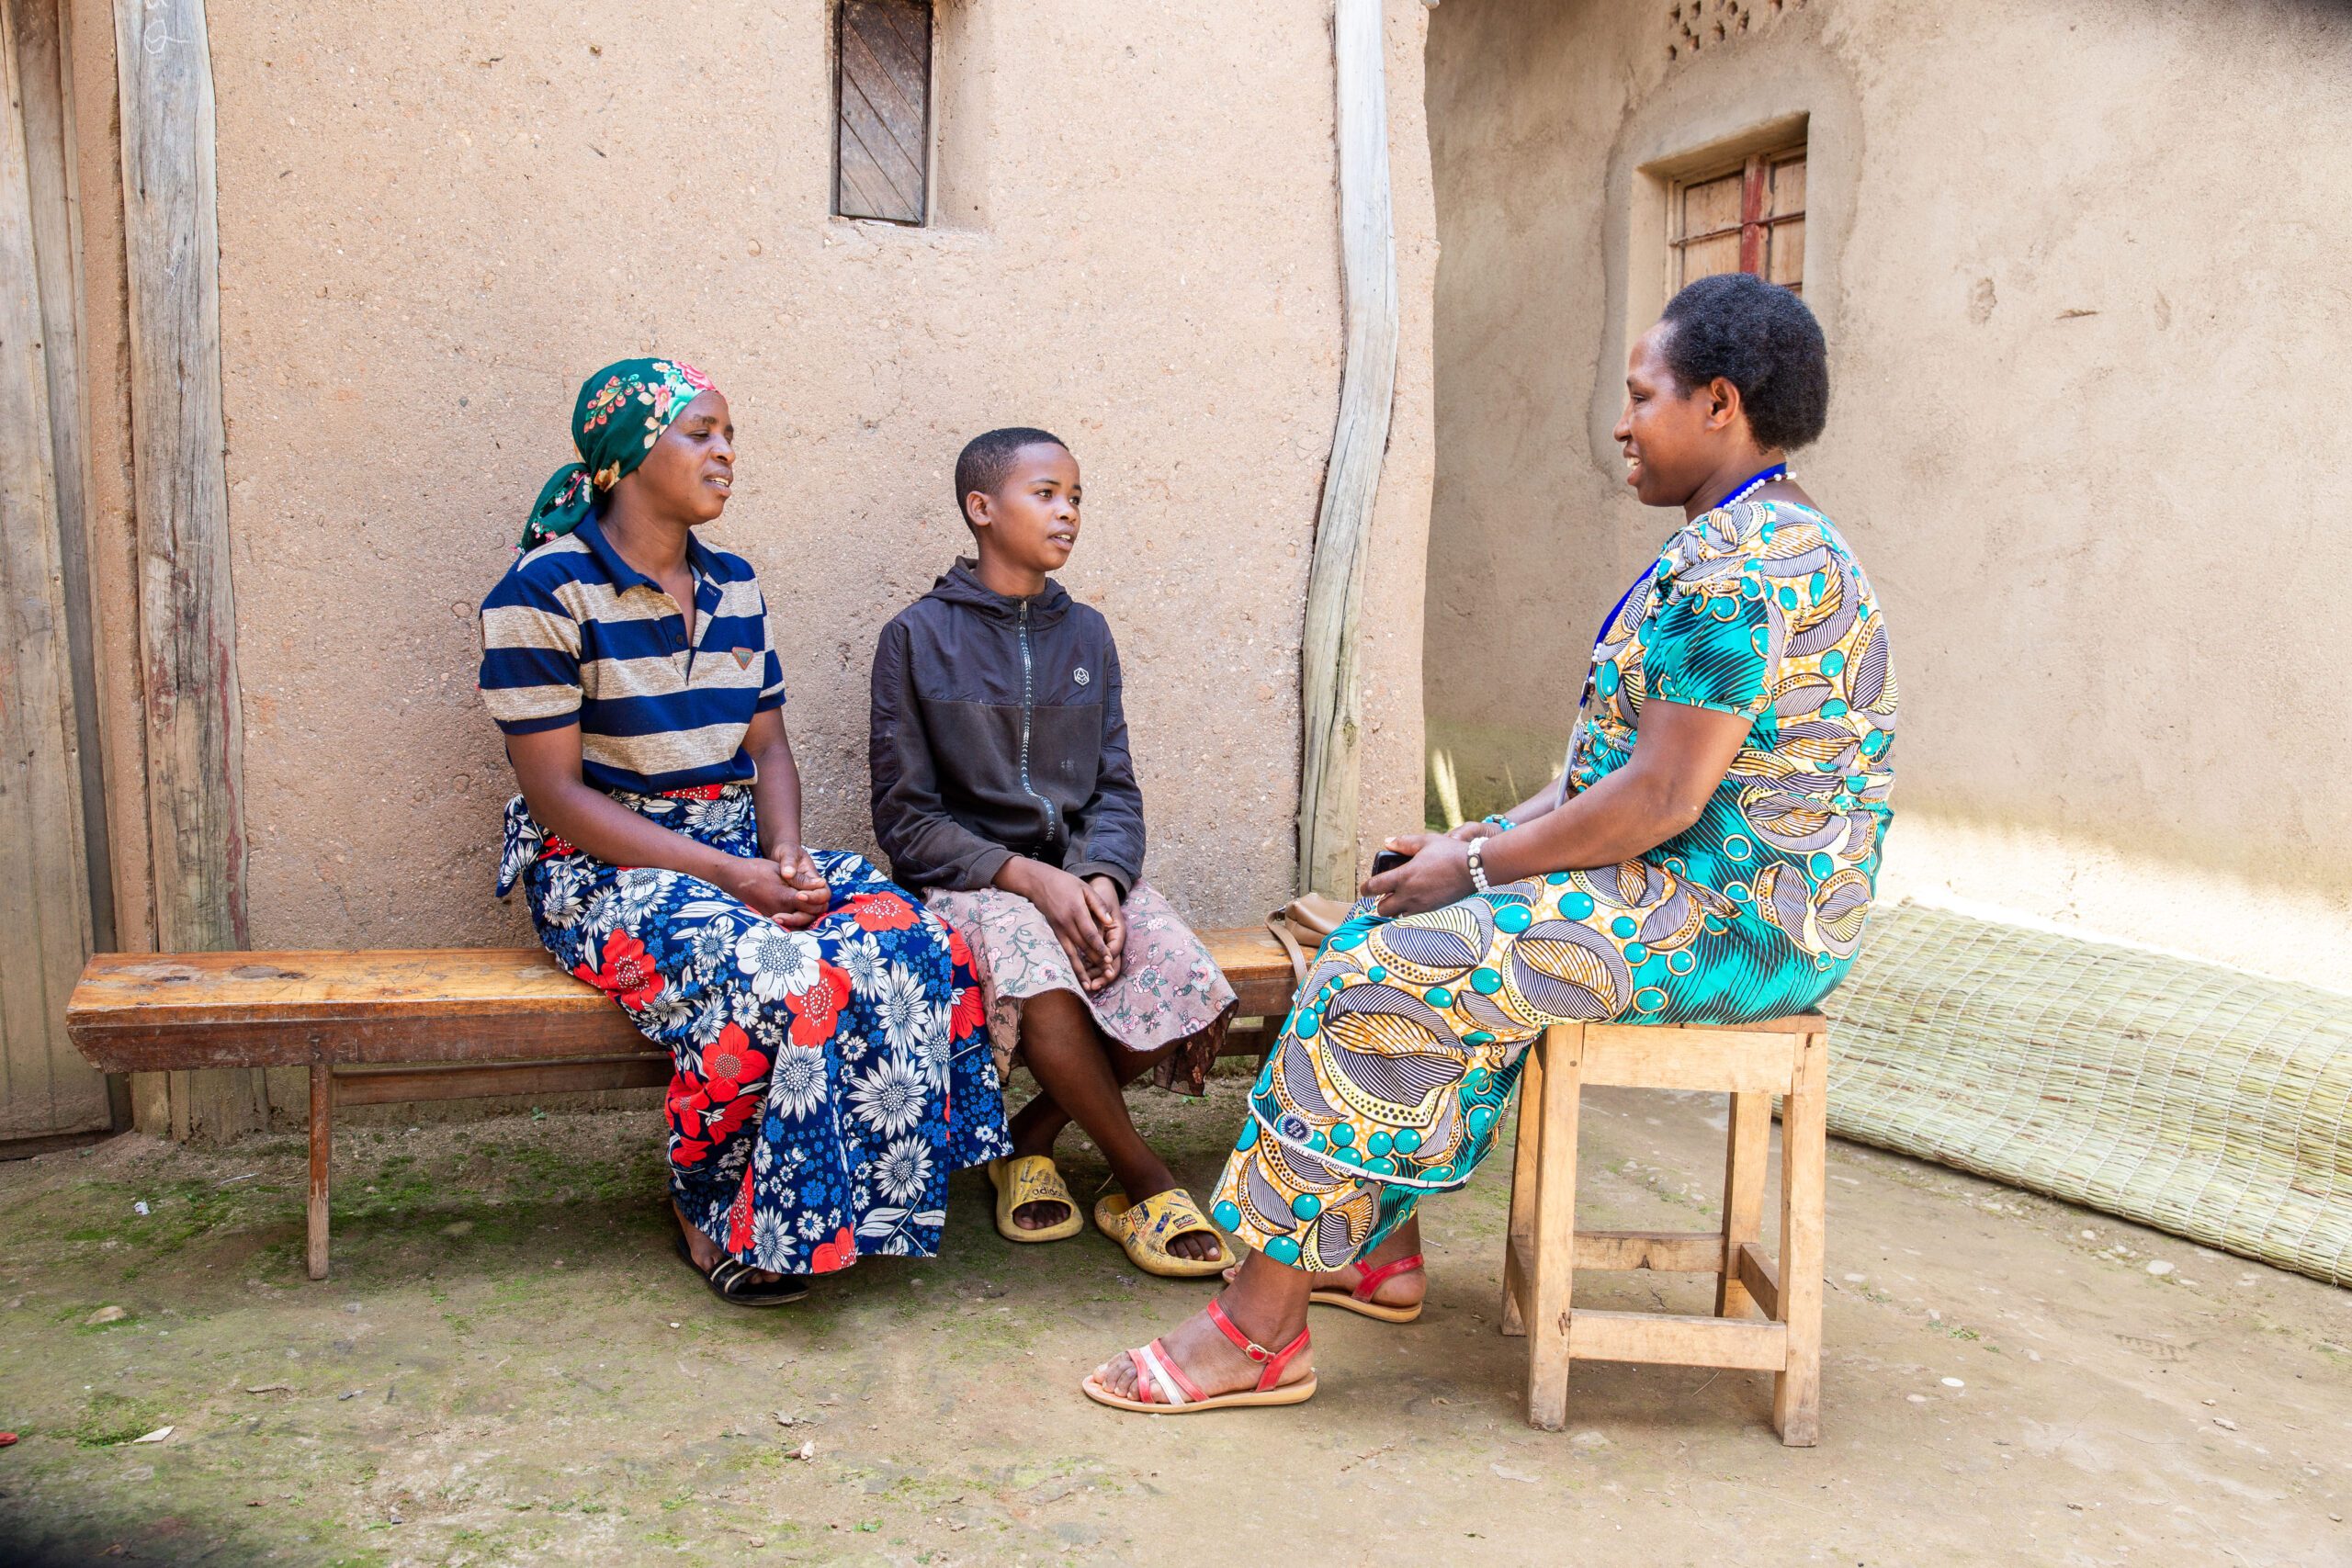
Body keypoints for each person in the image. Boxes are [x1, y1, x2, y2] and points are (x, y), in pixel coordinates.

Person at [1086, 273, 1896, 1411]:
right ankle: (1371, 1247)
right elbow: (1612, 781)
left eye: (1641, 394)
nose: (1620, 423)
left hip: (1737, 924)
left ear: (1720, 403)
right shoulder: (1750, 538)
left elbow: (1659, 798)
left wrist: (1468, 870)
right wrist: (1471, 842)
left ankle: (1258, 1331)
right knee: (1390, 910)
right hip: (1687, 889)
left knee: (1390, 966)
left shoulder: (1742, 569)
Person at [479, 356, 1011, 1306]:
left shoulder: (734, 584)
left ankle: (852, 1206)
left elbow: (768, 750)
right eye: (700, 434)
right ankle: (708, 1211)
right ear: (628, 454)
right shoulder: (544, 591)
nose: (724, 453)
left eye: (729, 436)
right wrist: (735, 882)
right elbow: (557, 797)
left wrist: (787, 856)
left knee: (911, 940)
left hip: (734, 847)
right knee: (781, 975)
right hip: (601, 866)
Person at [870, 428, 1239, 1279]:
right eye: (1046, 493)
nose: (1068, 510)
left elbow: (1117, 786)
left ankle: (1028, 1137)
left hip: (1079, 868)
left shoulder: (1090, 636)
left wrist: (1101, 879)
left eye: (1076, 495)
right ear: (982, 508)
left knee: (1181, 967)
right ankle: (1143, 1177)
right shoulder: (917, 638)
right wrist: (1032, 879)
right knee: (1035, 961)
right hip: (970, 882)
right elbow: (906, 819)